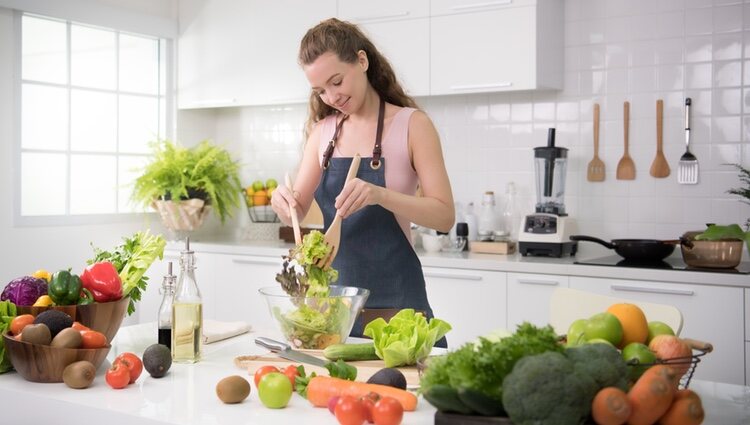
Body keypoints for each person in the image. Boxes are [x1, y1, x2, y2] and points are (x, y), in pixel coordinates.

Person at [270, 18, 454, 346]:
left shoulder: (413, 125)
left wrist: (379, 194)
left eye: (336, 81)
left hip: (398, 307)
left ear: (362, 61)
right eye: (320, 91)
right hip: (332, 310)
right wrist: (283, 204)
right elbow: (294, 212)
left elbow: (443, 216)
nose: (331, 96)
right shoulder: (323, 133)